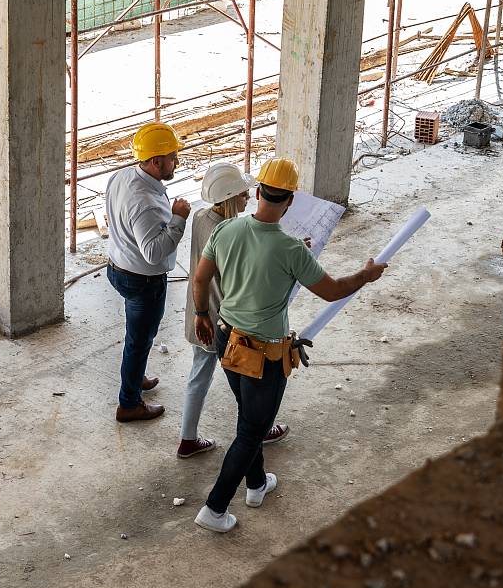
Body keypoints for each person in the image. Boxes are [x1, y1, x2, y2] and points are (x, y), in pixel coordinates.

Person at [189, 158, 388, 533]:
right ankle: (214, 509)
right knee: (252, 428)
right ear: (290, 200)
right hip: (263, 354)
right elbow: (333, 291)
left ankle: (257, 483)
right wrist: (366, 275)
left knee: (250, 417)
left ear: (259, 192)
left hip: (226, 338)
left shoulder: (227, 230)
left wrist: (201, 314)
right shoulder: (292, 250)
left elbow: (200, 279)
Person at [177, 162, 291, 459]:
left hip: (200, 311)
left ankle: (188, 438)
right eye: (242, 194)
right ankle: (258, 430)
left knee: (201, 375)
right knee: (250, 378)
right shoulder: (228, 230)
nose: (248, 198)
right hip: (224, 320)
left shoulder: (201, 218)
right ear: (230, 198)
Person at [105, 123, 191, 423]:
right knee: (139, 341)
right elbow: (154, 252)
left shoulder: (122, 176)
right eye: (171, 156)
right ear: (156, 162)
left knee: (136, 336)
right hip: (141, 280)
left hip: (118, 267)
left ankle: (136, 374)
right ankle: (129, 404)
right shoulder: (144, 203)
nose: (176, 161)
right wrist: (178, 219)